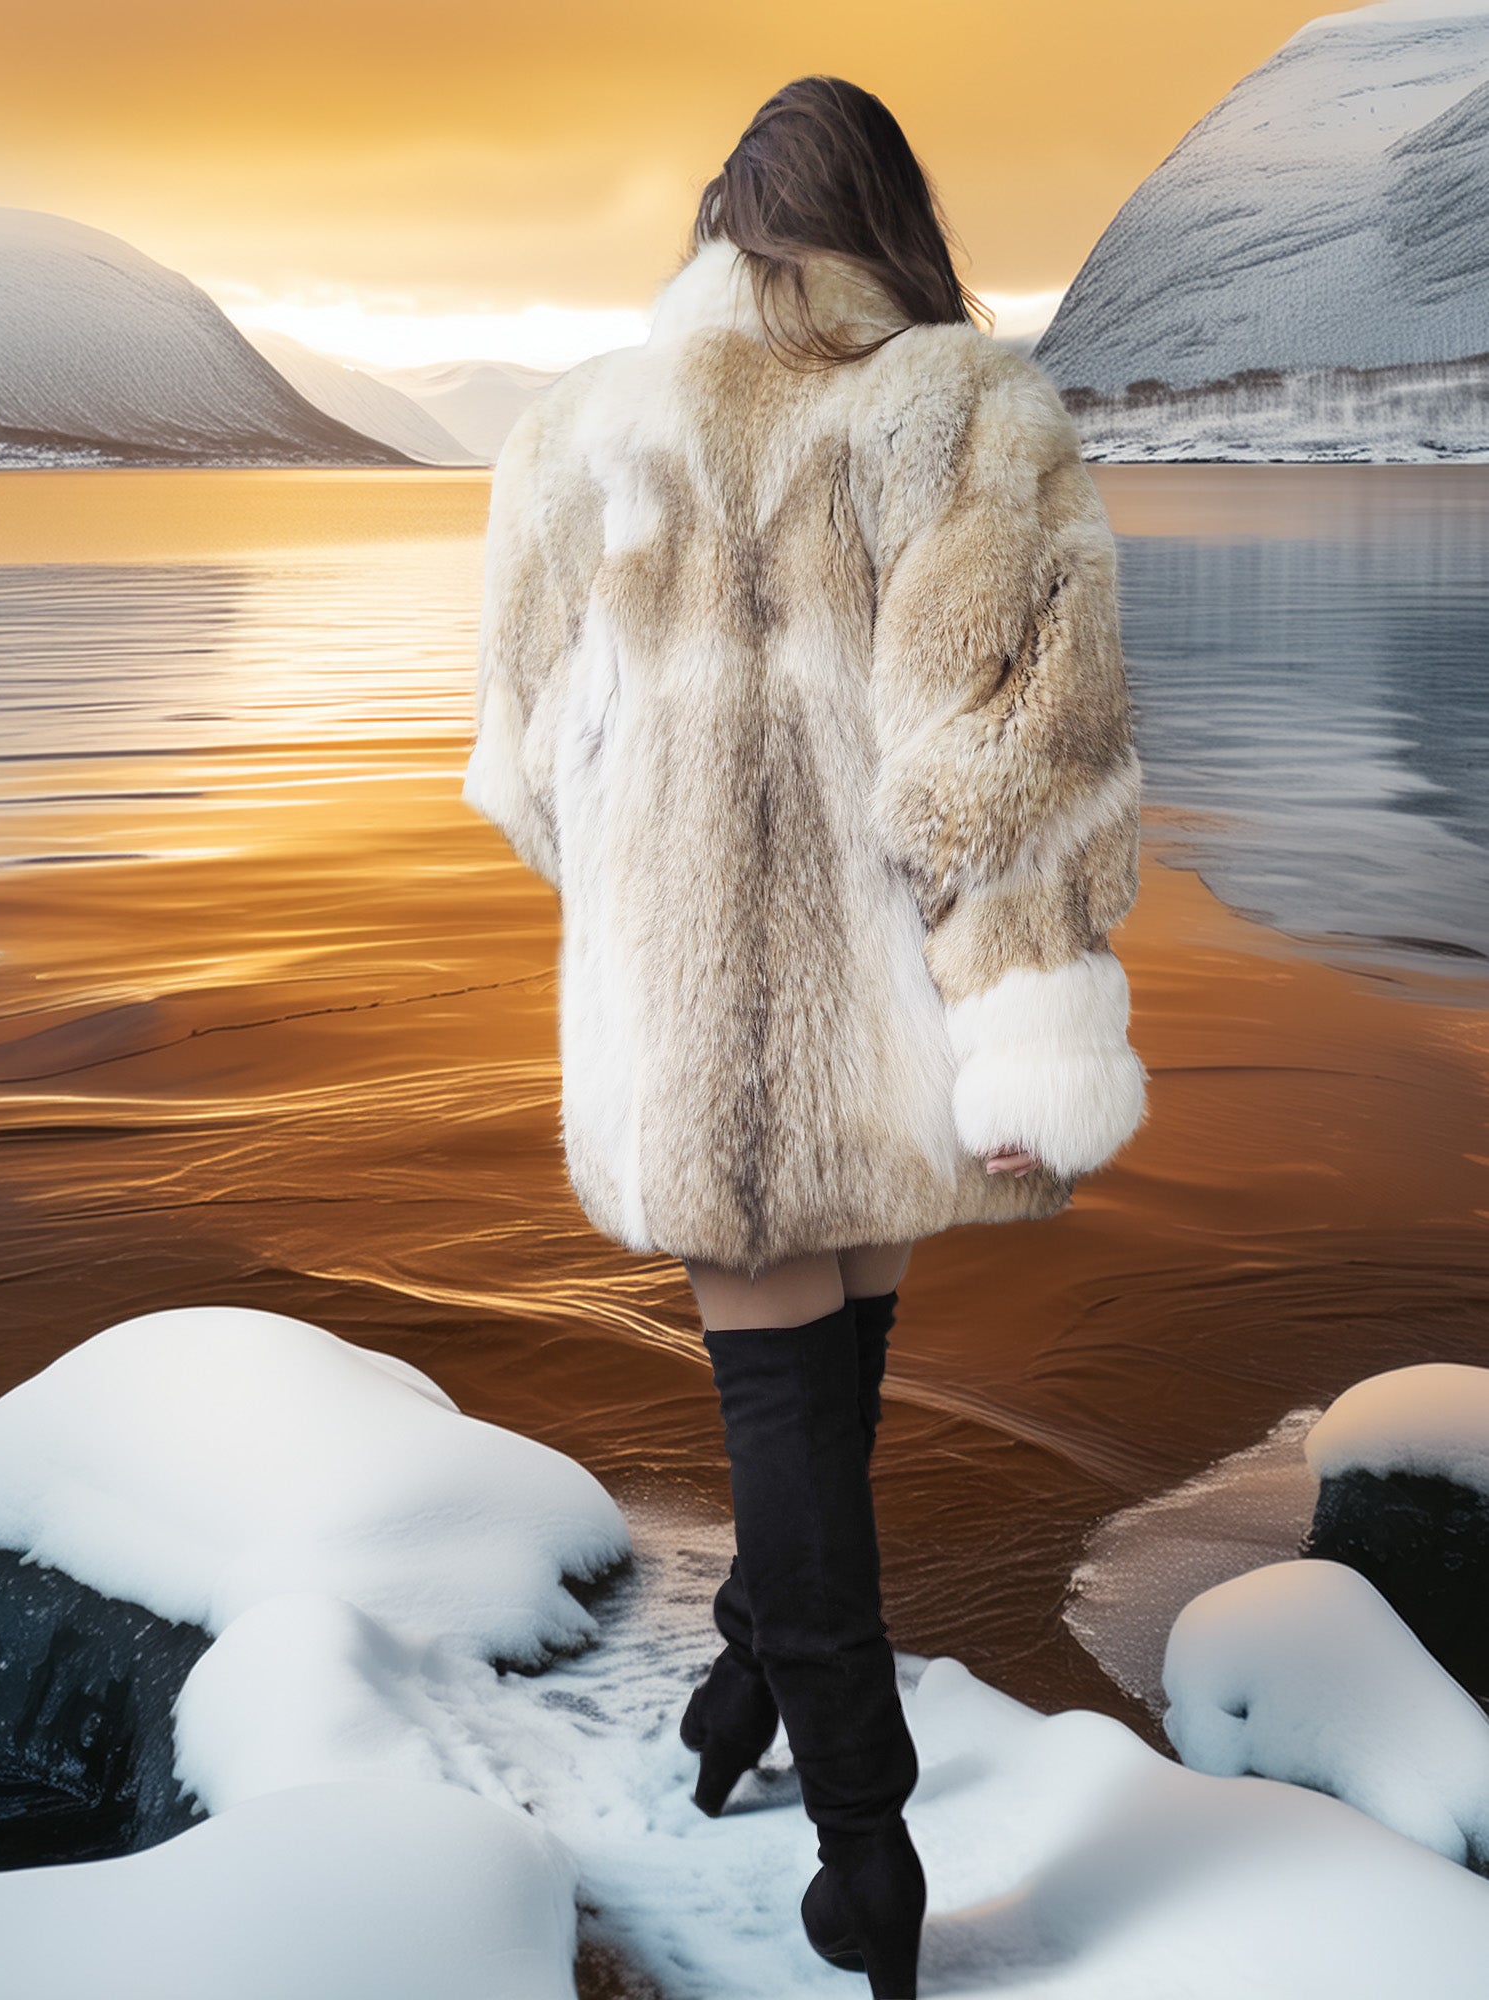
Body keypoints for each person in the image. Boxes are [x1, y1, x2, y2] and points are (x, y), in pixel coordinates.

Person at [464, 73, 1148, 2000]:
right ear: (891, 216)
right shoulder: (963, 415)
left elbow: (526, 778)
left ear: (721, 223)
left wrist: (655, 894)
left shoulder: (573, 440)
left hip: (679, 1026)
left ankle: (782, 1756)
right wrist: (1030, 1025)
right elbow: (1016, 769)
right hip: (884, 1025)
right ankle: (863, 1836)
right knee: (822, 1412)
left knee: (794, 1425)